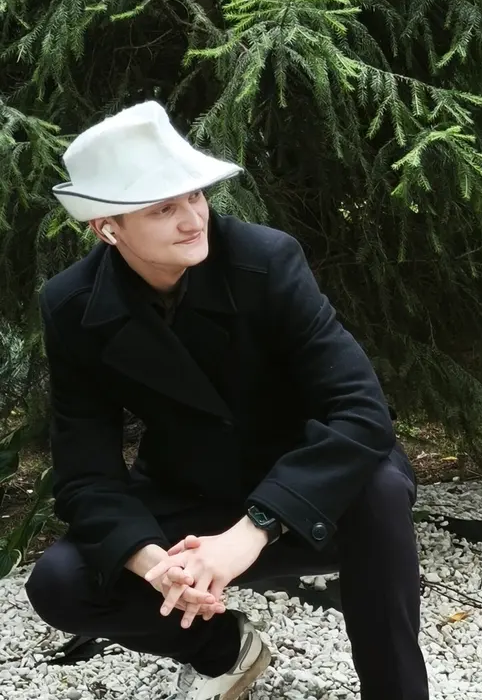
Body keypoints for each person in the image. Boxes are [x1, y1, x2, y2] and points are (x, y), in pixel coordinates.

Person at [23, 101, 430, 700]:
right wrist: (152, 563)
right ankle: (224, 650)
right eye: (163, 208)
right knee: (60, 583)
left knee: (380, 487)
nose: (193, 219)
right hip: (191, 491)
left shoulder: (265, 259)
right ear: (107, 228)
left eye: (194, 195)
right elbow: (85, 472)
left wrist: (254, 529)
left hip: (309, 492)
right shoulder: (72, 305)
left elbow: (361, 413)